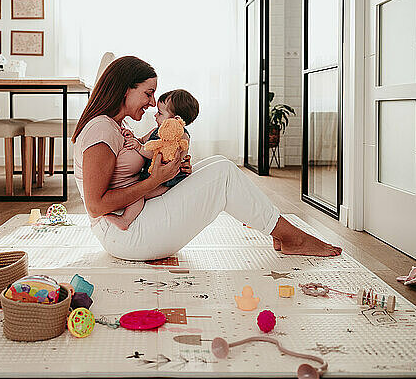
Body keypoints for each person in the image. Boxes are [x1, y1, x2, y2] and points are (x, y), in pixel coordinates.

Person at [72, 56, 342, 261]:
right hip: (124, 233)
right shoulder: (101, 130)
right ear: (124, 90)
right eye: (148, 93)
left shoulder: (114, 126)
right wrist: (157, 179)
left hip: (135, 219)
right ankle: (290, 236)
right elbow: (96, 206)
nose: (153, 103)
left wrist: (175, 171)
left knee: (216, 164)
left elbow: (137, 167)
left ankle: (282, 232)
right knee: (223, 173)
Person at [104, 89, 199, 230]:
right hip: (152, 175)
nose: (155, 115)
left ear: (176, 120)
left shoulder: (182, 137)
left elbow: (160, 156)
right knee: (137, 191)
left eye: (160, 113)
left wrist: (139, 147)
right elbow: (142, 141)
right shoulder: (156, 131)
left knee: (138, 195)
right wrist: (132, 138)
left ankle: (126, 220)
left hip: (166, 183)